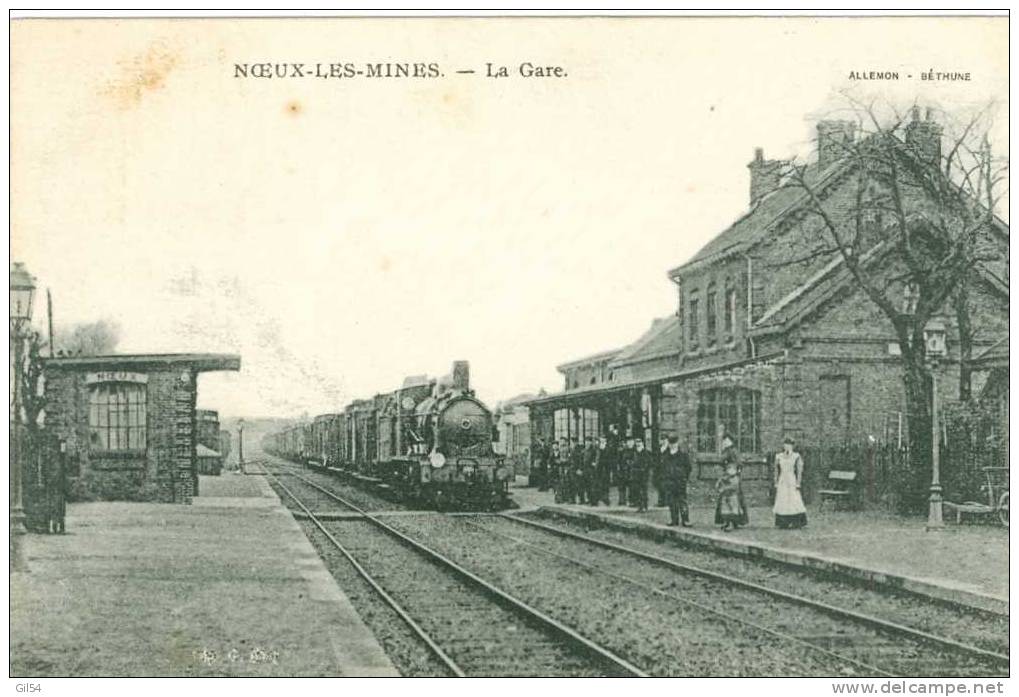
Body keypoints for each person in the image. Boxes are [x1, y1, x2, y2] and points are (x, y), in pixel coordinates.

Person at [773, 437, 807, 529]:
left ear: (792, 446)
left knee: (793, 498)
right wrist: (775, 481)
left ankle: (796, 521)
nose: (787, 447)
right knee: (783, 498)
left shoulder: (796, 456)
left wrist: (798, 482)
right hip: (783, 479)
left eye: (789, 445)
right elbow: (776, 470)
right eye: (785, 445)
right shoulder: (779, 456)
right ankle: (783, 521)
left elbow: (799, 470)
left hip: (791, 479)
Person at [660, 435, 692, 526]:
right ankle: (674, 519)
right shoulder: (666, 456)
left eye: (674, 444)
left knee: (682, 501)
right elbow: (662, 468)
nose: (673, 445)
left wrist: (684, 477)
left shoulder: (683, 455)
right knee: (671, 502)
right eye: (671, 444)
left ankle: (685, 520)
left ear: (677, 444)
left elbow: (688, 467)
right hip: (670, 482)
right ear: (669, 444)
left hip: (680, 482)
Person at [721, 433, 750, 527]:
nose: (724, 442)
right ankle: (731, 521)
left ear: (730, 441)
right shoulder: (726, 451)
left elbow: (739, 463)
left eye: (726, 440)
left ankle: (733, 521)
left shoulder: (733, 451)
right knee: (727, 499)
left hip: (732, 477)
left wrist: (735, 472)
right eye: (723, 440)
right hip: (727, 476)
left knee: (733, 499)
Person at [714, 459, 742, 531]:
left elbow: (735, 487)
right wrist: (720, 488)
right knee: (725, 510)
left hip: (732, 495)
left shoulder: (735, 478)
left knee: (733, 509)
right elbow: (718, 485)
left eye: (732, 468)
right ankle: (726, 522)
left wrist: (726, 488)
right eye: (728, 468)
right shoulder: (723, 478)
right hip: (725, 495)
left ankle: (732, 524)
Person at [45, 454, 68, 534]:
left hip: (57, 493)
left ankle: (59, 527)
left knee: (58, 511)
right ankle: (57, 527)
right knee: (56, 510)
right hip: (56, 493)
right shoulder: (57, 470)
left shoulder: (57, 470)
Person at [631, 439, 652, 512]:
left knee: (643, 490)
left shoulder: (646, 452)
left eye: (639, 442)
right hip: (636, 473)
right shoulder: (634, 452)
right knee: (637, 490)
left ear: (642, 443)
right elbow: (631, 461)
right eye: (637, 443)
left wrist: (644, 469)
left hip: (643, 474)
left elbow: (649, 462)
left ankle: (644, 506)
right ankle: (640, 506)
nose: (638, 444)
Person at [593, 436, 611, 505]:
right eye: (601, 441)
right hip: (598, 470)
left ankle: (606, 499)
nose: (602, 442)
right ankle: (596, 500)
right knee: (597, 484)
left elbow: (610, 460)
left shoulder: (608, 449)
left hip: (605, 470)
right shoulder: (597, 449)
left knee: (605, 485)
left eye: (604, 441)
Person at [616, 438, 634, 506]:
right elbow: (619, 460)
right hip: (623, 471)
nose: (629, 444)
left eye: (631, 442)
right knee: (621, 486)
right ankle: (622, 500)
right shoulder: (623, 451)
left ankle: (631, 501)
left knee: (632, 486)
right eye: (628, 442)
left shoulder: (635, 451)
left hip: (631, 471)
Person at [569, 437, 585, 504]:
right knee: (573, 485)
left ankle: (581, 499)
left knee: (579, 485)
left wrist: (580, 469)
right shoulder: (572, 449)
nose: (572, 444)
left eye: (573, 442)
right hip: (572, 469)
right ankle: (573, 499)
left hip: (577, 469)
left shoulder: (579, 450)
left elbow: (581, 461)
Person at [655, 435, 669, 507]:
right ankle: (661, 501)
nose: (663, 441)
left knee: (666, 486)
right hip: (659, 470)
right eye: (662, 439)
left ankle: (667, 501)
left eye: (664, 440)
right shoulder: (659, 449)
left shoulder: (669, 450)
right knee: (660, 486)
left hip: (667, 471)